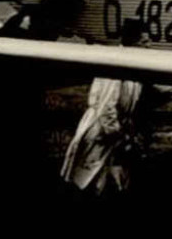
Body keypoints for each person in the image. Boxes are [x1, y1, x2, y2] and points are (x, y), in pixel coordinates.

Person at [60, 18, 149, 194]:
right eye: (145, 41)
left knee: (115, 177)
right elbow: (107, 108)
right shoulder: (115, 65)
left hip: (116, 129)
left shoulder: (135, 64)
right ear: (135, 42)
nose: (148, 45)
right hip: (101, 130)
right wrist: (120, 137)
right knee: (91, 177)